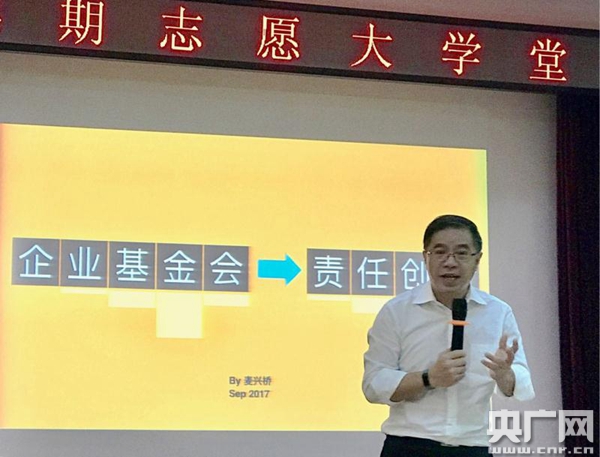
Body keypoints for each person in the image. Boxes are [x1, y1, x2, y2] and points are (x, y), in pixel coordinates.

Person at [362, 215, 535, 457]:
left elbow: (521, 384)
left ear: (477, 260)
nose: (450, 262)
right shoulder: (397, 311)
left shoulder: (498, 312)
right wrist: (428, 378)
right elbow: (373, 384)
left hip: (473, 447)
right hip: (409, 446)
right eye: (440, 252)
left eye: (461, 253)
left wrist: (505, 375)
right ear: (425, 258)